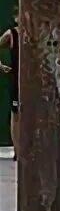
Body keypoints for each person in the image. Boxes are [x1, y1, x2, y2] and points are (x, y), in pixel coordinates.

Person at [0, 20, 19, 160]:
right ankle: (18, 150)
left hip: (35, 81)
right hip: (17, 79)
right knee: (16, 115)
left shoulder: (39, 32)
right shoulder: (12, 34)